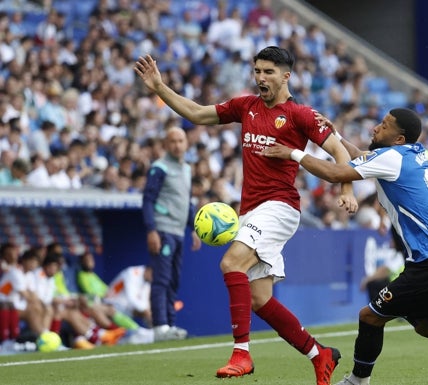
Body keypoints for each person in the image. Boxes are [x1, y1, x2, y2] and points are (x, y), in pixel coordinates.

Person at [134, 46, 358, 384]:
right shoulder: (246, 106)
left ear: (286, 76)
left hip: (280, 206)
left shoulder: (300, 114)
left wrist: (346, 188)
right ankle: (319, 354)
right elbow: (197, 113)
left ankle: (242, 354)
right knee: (260, 300)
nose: (261, 78)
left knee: (230, 263)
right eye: (257, 71)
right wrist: (160, 88)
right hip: (251, 210)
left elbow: (339, 149)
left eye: (268, 72)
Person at [260, 108, 428, 384]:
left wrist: (293, 153)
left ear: (399, 138)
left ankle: (358, 381)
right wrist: (335, 136)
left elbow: (334, 173)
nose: (375, 128)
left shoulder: (392, 158)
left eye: (384, 125)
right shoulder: (411, 154)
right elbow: (363, 158)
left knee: (370, 316)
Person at [142, 126, 202, 342]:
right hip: (163, 229)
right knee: (162, 279)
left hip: (178, 231)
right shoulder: (159, 168)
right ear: (165, 145)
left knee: (174, 280)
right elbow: (148, 200)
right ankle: (160, 326)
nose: (177, 145)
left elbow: (185, 202)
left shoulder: (186, 169)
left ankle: (170, 325)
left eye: (180, 141)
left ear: (186, 144)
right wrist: (152, 230)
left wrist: (193, 228)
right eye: (173, 141)